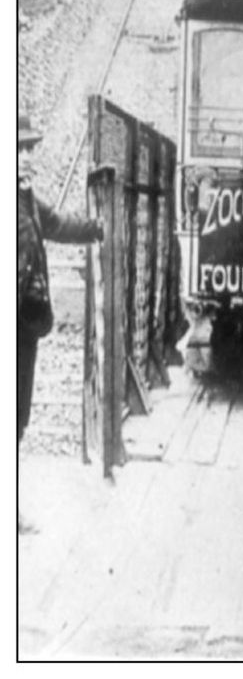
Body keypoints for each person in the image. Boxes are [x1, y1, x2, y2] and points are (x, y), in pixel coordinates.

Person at [18, 114, 103, 533]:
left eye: (29, 148)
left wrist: (95, 229)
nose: (26, 157)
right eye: (18, 149)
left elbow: (56, 225)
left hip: (24, 328)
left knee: (16, 417)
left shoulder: (26, 197)